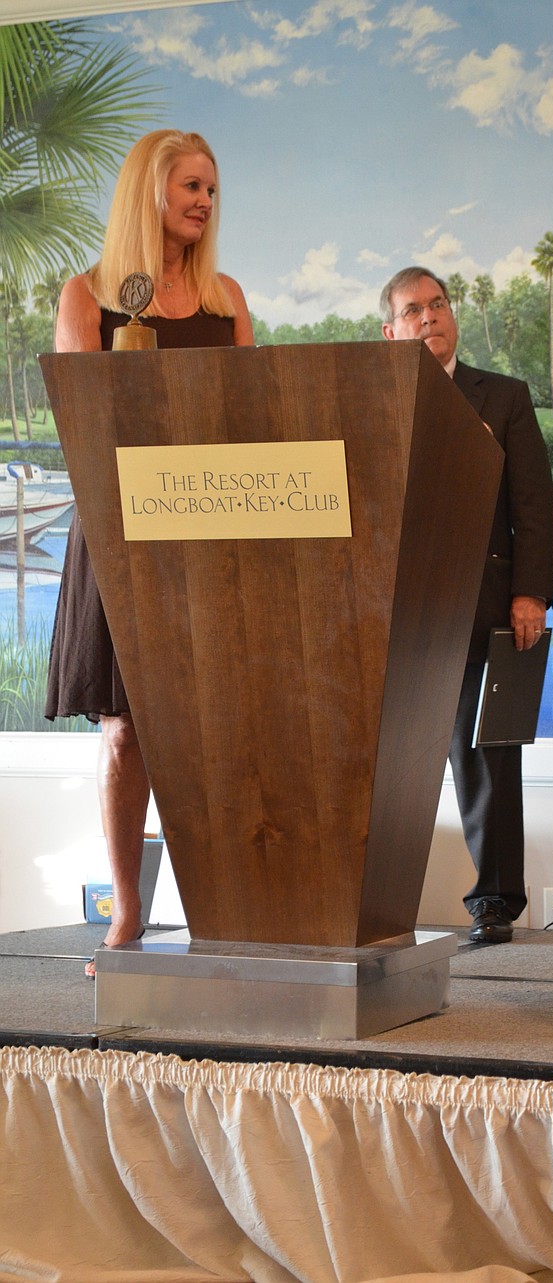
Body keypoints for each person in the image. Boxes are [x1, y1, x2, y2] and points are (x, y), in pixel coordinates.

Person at [45, 130, 254, 976]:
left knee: (212, 730)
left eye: (212, 189)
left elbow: (254, 415)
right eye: (191, 187)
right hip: (121, 531)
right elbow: (84, 424)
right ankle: (128, 914)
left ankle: (225, 915)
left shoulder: (228, 296)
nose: (204, 202)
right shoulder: (89, 296)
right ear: (149, 192)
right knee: (127, 729)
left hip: (212, 531)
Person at [381, 267, 553, 944]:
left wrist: (529, 593)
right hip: (402, 613)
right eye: (412, 310)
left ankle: (494, 903)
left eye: (437, 304)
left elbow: (534, 506)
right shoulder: (377, 397)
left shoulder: (503, 398)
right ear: (390, 329)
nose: (428, 318)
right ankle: (378, 907)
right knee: (393, 763)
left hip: (486, 607)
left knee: (488, 757)